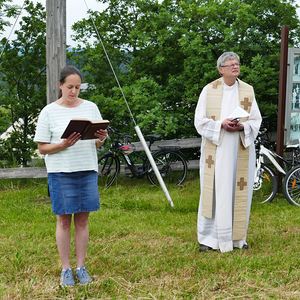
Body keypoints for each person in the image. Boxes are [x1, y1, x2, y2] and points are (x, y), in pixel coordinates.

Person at [34, 65, 107, 286]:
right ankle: (66, 269)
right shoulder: (49, 111)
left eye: (77, 87)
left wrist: (101, 137)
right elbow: (42, 148)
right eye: (69, 87)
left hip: (86, 169)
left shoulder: (91, 107)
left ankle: (81, 266)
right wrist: (63, 145)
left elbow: (96, 141)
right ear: (60, 86)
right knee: (64, 220)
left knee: (83, 220)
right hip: (61, 172)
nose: (74, 91)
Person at [194, 52, 262, 253]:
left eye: (237, 63)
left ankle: (237, 239)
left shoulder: (248, 91)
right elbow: (199, 121)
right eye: (231, 64)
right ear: (221, 69)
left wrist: (242, 127)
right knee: (215, 191)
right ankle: (209, 239)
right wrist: (220, 124)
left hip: (240, 150)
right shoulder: (209, 90)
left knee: (238, 192)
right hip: (217, 150)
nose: (235, 67)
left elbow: (256, 120)